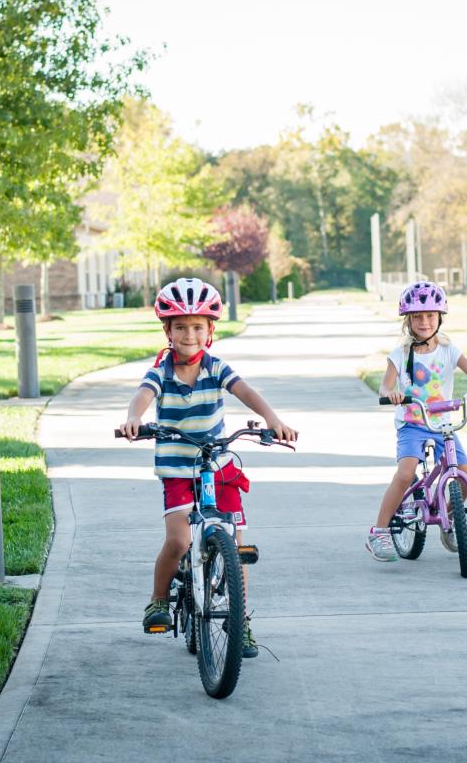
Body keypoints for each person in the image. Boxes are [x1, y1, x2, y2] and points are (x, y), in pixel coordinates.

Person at [119, 277, 297, 657]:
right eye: (180, 327)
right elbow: (142, 396)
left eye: (197, 327)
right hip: (177, 468)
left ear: (210, 330)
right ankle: (158, 599)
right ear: (167, 330)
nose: (189, 334)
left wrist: (272, 419)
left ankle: (240, 622)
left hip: (218, 466)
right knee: (180, 540)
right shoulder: (161, 371)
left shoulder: (216, 367)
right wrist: (134, 419)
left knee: (235, 543)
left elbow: (245, 391)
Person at [372, 281, 467, 562]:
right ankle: (379, 531)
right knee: (405, 473)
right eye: (417, 316)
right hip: (412, 423)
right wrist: (390, 393)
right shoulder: (401, 354)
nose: (424, 321)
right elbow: (384, 386)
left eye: (430, 315)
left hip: (443, 425)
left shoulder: (449, 350)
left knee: (466, 480)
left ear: (440, 318)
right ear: (408, 321)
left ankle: (452, 521)